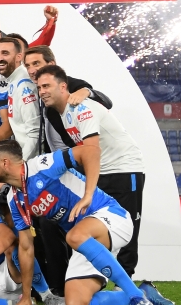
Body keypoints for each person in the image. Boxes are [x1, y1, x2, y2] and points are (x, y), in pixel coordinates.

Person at [0, 140, 176, 305]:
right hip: (86, 241)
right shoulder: (14, 199)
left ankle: (135, 296)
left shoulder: (42, 166)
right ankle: (144, 292)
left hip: (112, 216)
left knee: (74, 235)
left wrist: (88, 195)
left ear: (5, 163)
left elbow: (90, 151)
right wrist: (26, 296)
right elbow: (26, 248)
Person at [36, 65, 147, 276]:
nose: (42, 91)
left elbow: (91, 152)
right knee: (97, 226)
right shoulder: (61, 114)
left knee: (127, 227)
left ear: (63, 86)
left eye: (47, 86)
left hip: (124, 169)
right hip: (101, 171)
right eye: (40, 87)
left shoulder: (81, 108)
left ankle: (127, 285)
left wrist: (88, 193)